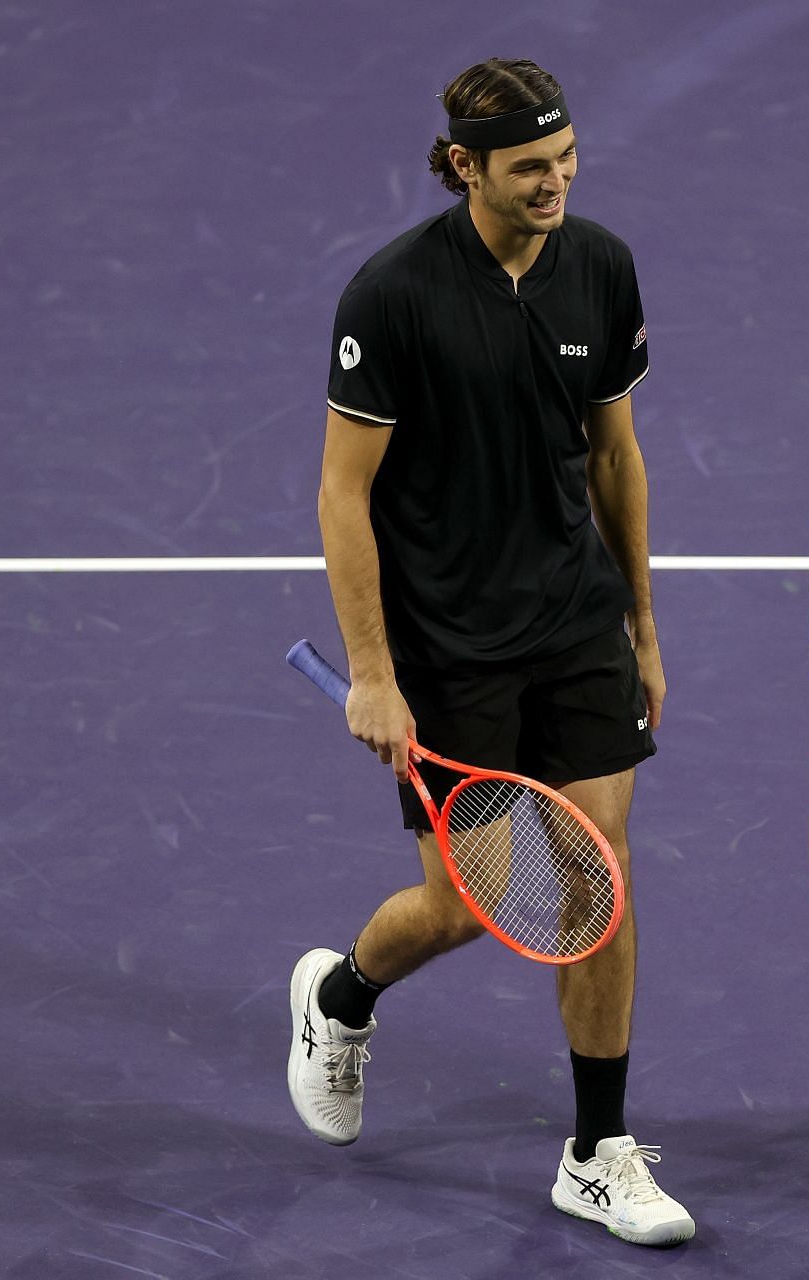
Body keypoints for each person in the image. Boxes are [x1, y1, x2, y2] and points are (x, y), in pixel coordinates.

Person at [291, 57, 693, 1247]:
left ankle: (597, 1148)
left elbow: (616, 456)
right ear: (465, 166)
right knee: (464, 906)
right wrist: (374, 670)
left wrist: (643, 621)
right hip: (449, 647)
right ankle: (340, 993)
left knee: (598, 875)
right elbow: (342, 493)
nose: (555, 185)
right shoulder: (394, 297)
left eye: (567, 163)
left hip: (574, 623)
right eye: (529, 169)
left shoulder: (602, 266)